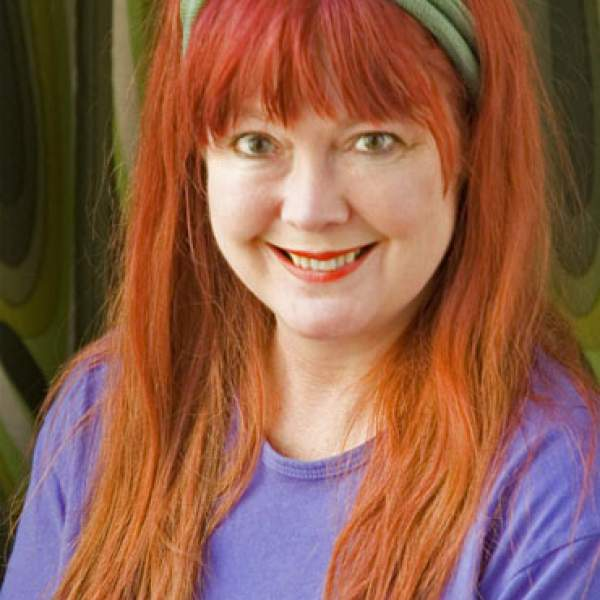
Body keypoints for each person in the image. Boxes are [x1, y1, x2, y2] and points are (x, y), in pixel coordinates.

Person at [3, 0, 600, 598]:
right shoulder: (104, 411)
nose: (311, 210)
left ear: (471, 148)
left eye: (374, 141)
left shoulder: (556, 499)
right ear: (198, 158)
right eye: (257, 142)